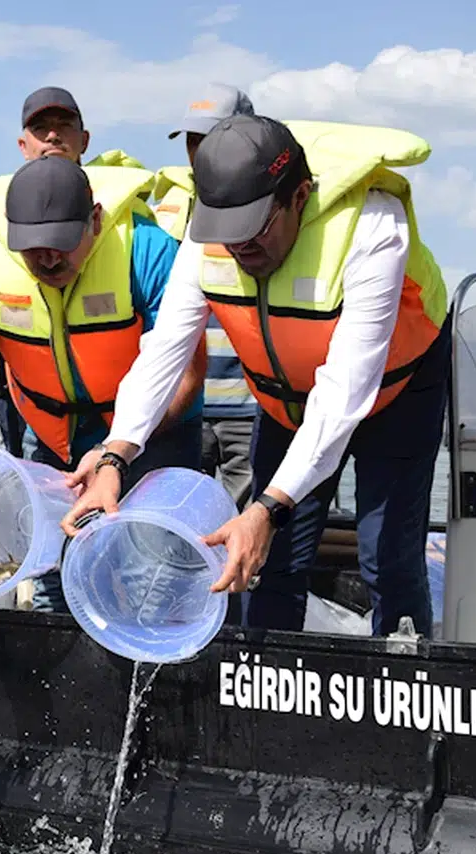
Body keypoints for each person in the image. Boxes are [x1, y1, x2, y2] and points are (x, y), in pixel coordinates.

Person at [65, 115, 450, 638]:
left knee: (387, 559)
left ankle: (403, 679)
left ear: (300, 196)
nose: (239, 247)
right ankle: (266, 681)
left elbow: (344, 392)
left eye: (255, 228)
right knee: (270, 564)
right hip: (286, 399)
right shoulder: (210, 235)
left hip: (395, 393)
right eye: (226, 232)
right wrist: (115, 455)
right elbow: (163, 352)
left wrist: (269, 506)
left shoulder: (373, 225)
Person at [0, 155, 206, 613]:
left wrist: (115, 452)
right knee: (51, 577)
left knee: (149, 585)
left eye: (62, 243)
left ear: (95, 221)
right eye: (32, 247)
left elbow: (186, 373)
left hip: (152, 436)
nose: (47, 258)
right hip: (50, 442)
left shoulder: (147, 250)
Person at [0, 87, 155, 457]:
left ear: (85, 140)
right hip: (35, 407)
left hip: (126, 423)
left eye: (64, 126)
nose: (53, 136)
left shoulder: (134, 228)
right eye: (41, 128)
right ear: (23, 145)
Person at [152, 84, 258, 509]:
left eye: (212, 137)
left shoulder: (270, 205)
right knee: (176, 520)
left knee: (243, 524)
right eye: (193, 140)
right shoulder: (167, 210)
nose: (200, 151)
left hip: (250, 405)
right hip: (184, 405)